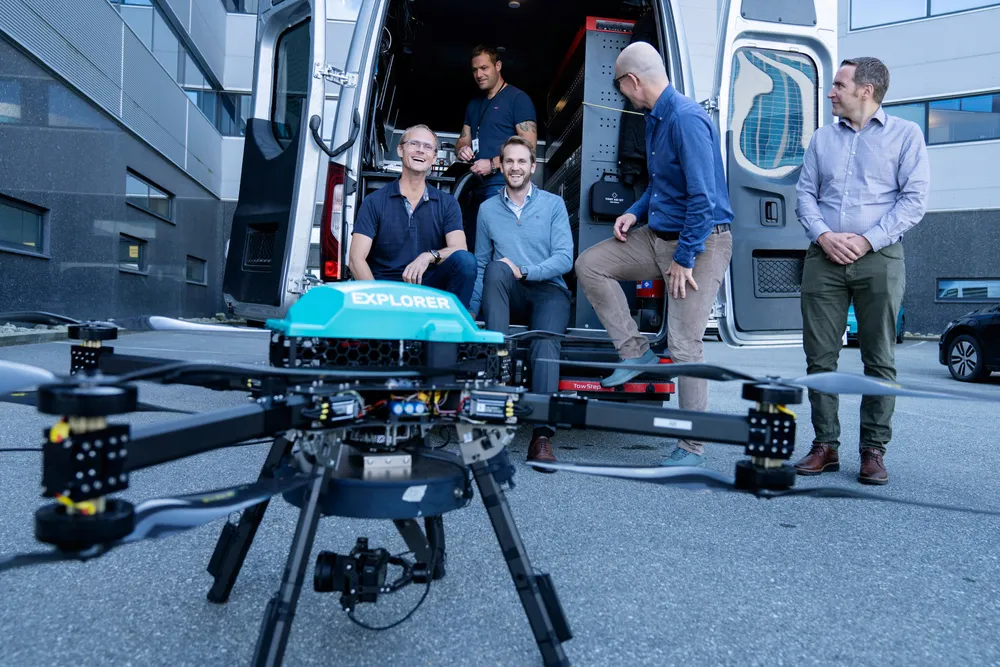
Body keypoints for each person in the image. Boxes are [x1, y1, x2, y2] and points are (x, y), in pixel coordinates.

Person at [574, 41, 733, 468]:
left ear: (632, 81)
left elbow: (703, 198)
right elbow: (662, 185)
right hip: (658, 236)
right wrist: (634, 211)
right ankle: (634, 352)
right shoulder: (654, 119)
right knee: (591, 265)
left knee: (685, 345)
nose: (623, 95)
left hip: (700, 242)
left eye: (621, 87)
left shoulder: (685, 119)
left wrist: (684, 258)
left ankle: (692, 447)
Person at [792, 57, 930, 486]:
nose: (831, 92)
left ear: (865, 91)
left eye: (839, 84)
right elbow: (805, 195)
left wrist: (868, 240)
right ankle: (825, 445)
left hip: (880, 257)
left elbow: (914, 200)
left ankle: (873, 450)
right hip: (824, 256)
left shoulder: (906, 135)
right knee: (819, 357)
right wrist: (824, 235)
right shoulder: (822, 139)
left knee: (879, 358)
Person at [472, 136, 574, 469]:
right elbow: (480, 266)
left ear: (532, 166)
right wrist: (470, 313)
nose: (515, 167)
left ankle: (541, 436)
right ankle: (498, 371)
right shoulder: (487, 209)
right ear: (500, 166)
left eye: (521, 161)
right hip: (508, 290)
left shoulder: (553, 205)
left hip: (548, 290)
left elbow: (565, 258)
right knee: (495, 268)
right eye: (509, 161)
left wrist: (527, 271)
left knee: (545, 344)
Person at [349, 125, 477, 308]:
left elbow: (459, 249)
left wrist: (429, 256)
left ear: (434, 157)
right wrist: (377, 301)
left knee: (466, 261)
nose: (420, 150)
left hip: (428, 291)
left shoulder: (447, 203)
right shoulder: (374, 201)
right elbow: (356, 259)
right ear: (400, 150)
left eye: (427, 147)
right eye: (414, 144)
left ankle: (449, 325)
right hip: (386, 292)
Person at [454, 45, 538, 254]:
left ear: (498, 66)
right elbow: (462, 140)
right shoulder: (474, 105)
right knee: (472, 249)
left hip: (502, 187)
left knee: (498, 250)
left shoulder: (518, 99)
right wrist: (462, 149)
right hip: (472, 188)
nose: (479, 75)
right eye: (475, 70)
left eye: (484, 68)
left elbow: (529, 147)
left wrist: (492, 164)